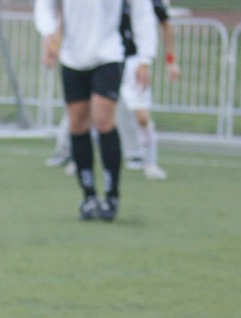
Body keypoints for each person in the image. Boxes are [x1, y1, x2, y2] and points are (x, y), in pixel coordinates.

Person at [36, 0, 155, 221]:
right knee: (77, 123)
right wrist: (49, 32)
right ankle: (89, 195)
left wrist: (145, 58)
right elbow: (45, 5)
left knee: (103, 119)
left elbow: (142, 11)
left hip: (108, 54)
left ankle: (111, 195)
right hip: (72, 56)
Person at [119, 0, 180, 180]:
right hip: (108, 59)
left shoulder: (150, 3)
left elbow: (166, 24)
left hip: (135, 62)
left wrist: (170, 61)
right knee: (91, 111)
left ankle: (150, 163)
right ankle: (78, 159)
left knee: (142, 117)